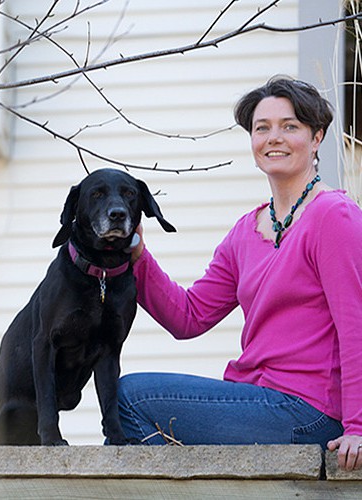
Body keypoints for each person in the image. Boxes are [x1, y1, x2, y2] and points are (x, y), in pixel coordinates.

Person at [118, 76, 362, 471]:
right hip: (258, 401)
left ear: (316, 138)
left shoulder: (333, 217)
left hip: (312, 411)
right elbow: (189, 316)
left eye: (290, 126)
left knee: (131, 397)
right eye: (261, 128)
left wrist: (358, 426)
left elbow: (356, 326)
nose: (273, 138)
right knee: (125, 401)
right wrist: (139, 256)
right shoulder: (246, 231)